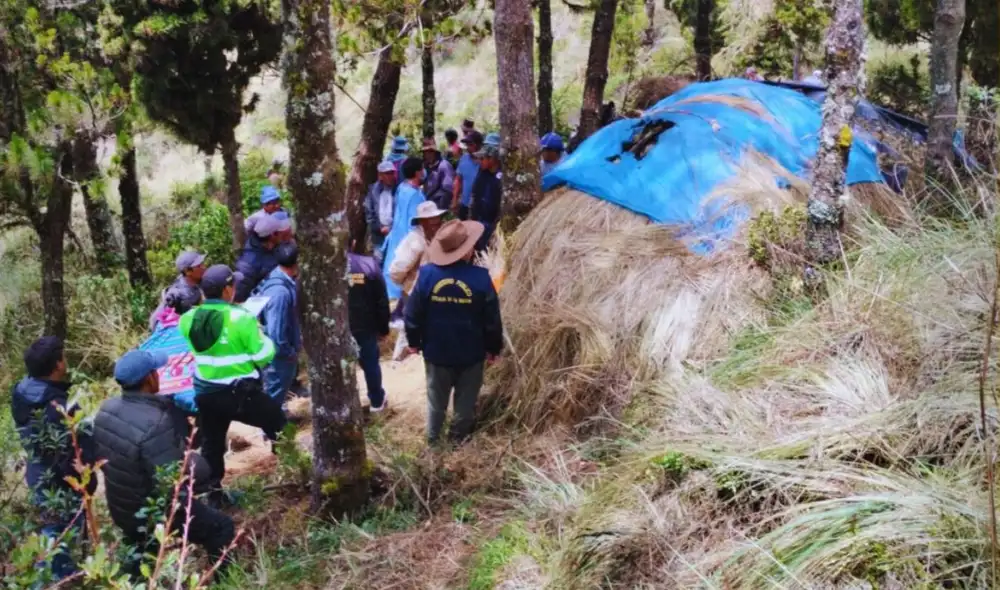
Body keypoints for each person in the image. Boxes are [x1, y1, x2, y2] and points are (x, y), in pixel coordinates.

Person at [94, 349, 235, 580]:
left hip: (121, 508)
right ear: (150, 378)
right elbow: (171, 481)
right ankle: (224, 583)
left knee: (139, 555)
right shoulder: (156, 423)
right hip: (153, 512)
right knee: (222, 528)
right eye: (156, 372)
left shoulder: (106, 410)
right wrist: (199, 465)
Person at [178, 265, 287, 503]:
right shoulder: (241, 318)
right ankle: (291, 470)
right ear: (227, 290)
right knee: (278, 422)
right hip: (240, 393)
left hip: (206, 393)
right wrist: (261, 334)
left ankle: (214, 496)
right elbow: (263, 355)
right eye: (233, 285)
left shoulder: (187, 319)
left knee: (212, 444)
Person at [404, 220, 503, 444]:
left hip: (437, 351)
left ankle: (433, 443)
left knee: (435, 402)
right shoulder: (480, 278)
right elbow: (492, 319)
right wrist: (493, 347)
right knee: (465, 403)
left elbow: (413, 314)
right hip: (471, 352)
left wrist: (414, 341)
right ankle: (457, 443)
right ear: (467, 249)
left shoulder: (427, 275)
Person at [11, 337, 97, 581]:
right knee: (59, 542)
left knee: (51, 536)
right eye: (63, 357)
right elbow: (69, 454)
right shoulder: (59, 407)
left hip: (37, 474)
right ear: (57, 365)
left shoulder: (21, 391)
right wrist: (86, 482)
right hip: (62, 483)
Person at [388, 201, 448, 360]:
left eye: (437, 219)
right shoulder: (415, 242)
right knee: (410, 328)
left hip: (430, 293)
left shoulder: (433, 238)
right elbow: (396, 271)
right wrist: (409, 285)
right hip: (415, 293)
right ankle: (399, 362)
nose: (436, 223)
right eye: (431, 220)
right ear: (423, 222)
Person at [256, 243, 301, 406]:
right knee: (275, 394)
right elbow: (276, 332)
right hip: (279, 356)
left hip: (277, 353)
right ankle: (271, 430)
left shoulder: (277, 278)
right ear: (296, 263)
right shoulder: (280, 292)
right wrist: (288, 352)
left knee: (277, 395)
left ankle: (279, 422)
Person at [348, 251, 391, 412]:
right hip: (364, 325)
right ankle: (377, 402)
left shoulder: (321, 266)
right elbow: (381, 300)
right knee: (370, 363)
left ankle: (345, 404)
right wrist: (383, 328)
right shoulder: (368, 265)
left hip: (335, 328)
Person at [382, 157, 427, 301]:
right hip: (406, 238)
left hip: (395, 235)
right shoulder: (416, 195)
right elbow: (415, 222)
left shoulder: (402, 187)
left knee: (391, 266)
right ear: (418, 173)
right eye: (422, 169)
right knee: (403, 268)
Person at [235, 214, 291, 303]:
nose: (282, 235)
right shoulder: (248, 264)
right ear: (273, 235)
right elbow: (240, 297)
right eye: (279, 232)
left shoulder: (274, 246)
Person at [148, 250, 206, 330]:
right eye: (199, 266)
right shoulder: (177, 293)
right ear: (188, 271)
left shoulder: (199, 281)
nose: (204, 267)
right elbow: (155, 321)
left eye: (202, 264)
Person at [469, 143, 503, 253]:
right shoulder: (481, 174)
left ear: (492, 159)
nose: (480, 161)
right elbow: (475, 195)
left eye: (482, 158)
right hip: (478, 221)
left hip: (492, 224)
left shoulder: (502, 177)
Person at [364, 160, 397, 265]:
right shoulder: (373, 191)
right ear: (380, 175)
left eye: (392, 173)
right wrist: (380, 228)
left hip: (394, 233)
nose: (391, 176)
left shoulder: (398, 189)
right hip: (378, 235)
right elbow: (369, 213)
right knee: (378, 262)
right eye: (387, 173)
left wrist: (391, 228)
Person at [451, 130, 483, 220]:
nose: (468, 147)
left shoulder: (486, 161)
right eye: (467, 144)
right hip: (465, 204)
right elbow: (458, 180)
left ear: (479, 144)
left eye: (471, 144)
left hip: (481, 206)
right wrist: (454, 200)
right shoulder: (464, 159)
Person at [421, 137, 455, 211]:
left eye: (431, 152)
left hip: (438, 207)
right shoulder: (426, 166)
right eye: (426, 152)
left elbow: (447, 191)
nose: (428, 155)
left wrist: (440, 209)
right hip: (428, 205)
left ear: (436, 152)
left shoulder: (444, 166)